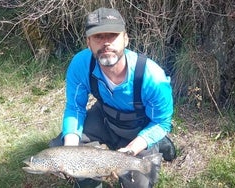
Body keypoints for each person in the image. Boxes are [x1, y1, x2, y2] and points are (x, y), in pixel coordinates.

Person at [49, 7, 176, 188]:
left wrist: (130, 150)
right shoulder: (80, 64)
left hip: (138, 126)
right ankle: (89, 182)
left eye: (112, 35)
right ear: (88, 42)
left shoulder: (153, 78)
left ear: (125, 39)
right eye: (98, 37)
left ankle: (157, 143)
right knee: (61, 148)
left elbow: (161, 122)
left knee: (138, 183)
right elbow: (75, 108)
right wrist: (70, 152)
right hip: (105, 118)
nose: (106, 43)